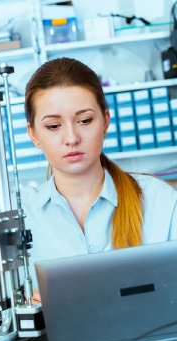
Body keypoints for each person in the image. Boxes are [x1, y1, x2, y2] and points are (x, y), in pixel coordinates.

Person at [23, 57, 177, 303]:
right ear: (33, 134)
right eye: (53, 126)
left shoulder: (160, 201)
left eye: (84, 121)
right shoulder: (19, 215)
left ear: (105, 121)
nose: (71, 138)